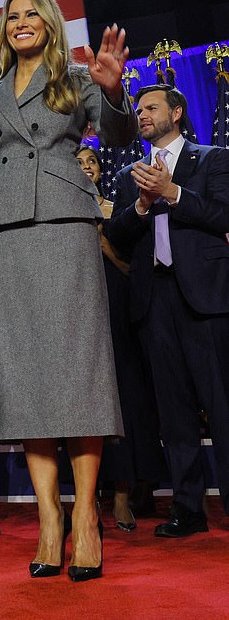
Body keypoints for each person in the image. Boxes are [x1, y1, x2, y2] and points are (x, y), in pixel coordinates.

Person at [0, 0, 137, 582]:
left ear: (51, 23)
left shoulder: (77, 81)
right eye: (11, 17)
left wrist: (114, 90)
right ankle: (48, 519)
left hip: (65, 228)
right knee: (26, 381)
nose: (20, 24)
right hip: (5, 239)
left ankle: (85, 516)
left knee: (77, 372)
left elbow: (118, 135)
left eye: (30, 13)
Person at [109, 84, 229, 538]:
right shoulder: (130, 176)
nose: (141, 115)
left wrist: (173, 192)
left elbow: (224, 214)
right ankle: (187, 508)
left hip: (204, 298)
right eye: (138, 109)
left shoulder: (213, 158)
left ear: (176, 113)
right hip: (153, 302)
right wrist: (142, 204)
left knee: (222, 405)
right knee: (173, 412)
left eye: (150, 108)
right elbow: (117, 236)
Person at [75, 145, 166, 532]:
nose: (85, 167)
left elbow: (135, 269)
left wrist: (106, 246)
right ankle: (87, 498)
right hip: (78, 317)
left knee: (126, 401)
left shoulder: (119, 209)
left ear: (101, 169)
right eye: (77, 163)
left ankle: (125, 495)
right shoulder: (62, 217)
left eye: (91, 161)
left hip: (118, 316)